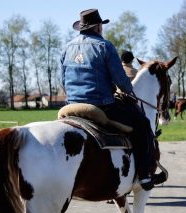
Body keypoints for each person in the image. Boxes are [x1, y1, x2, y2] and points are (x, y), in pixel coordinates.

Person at [60, 9, 158, 190]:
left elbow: (62, 81)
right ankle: (145, 175)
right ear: (98, 26)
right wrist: (128, 91)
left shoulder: (66, 48)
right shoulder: (105, 46)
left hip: (71, 105)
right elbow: (122, 82)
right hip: (101, 106)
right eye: (101, 26)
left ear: (82, 27)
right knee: (142, 124)